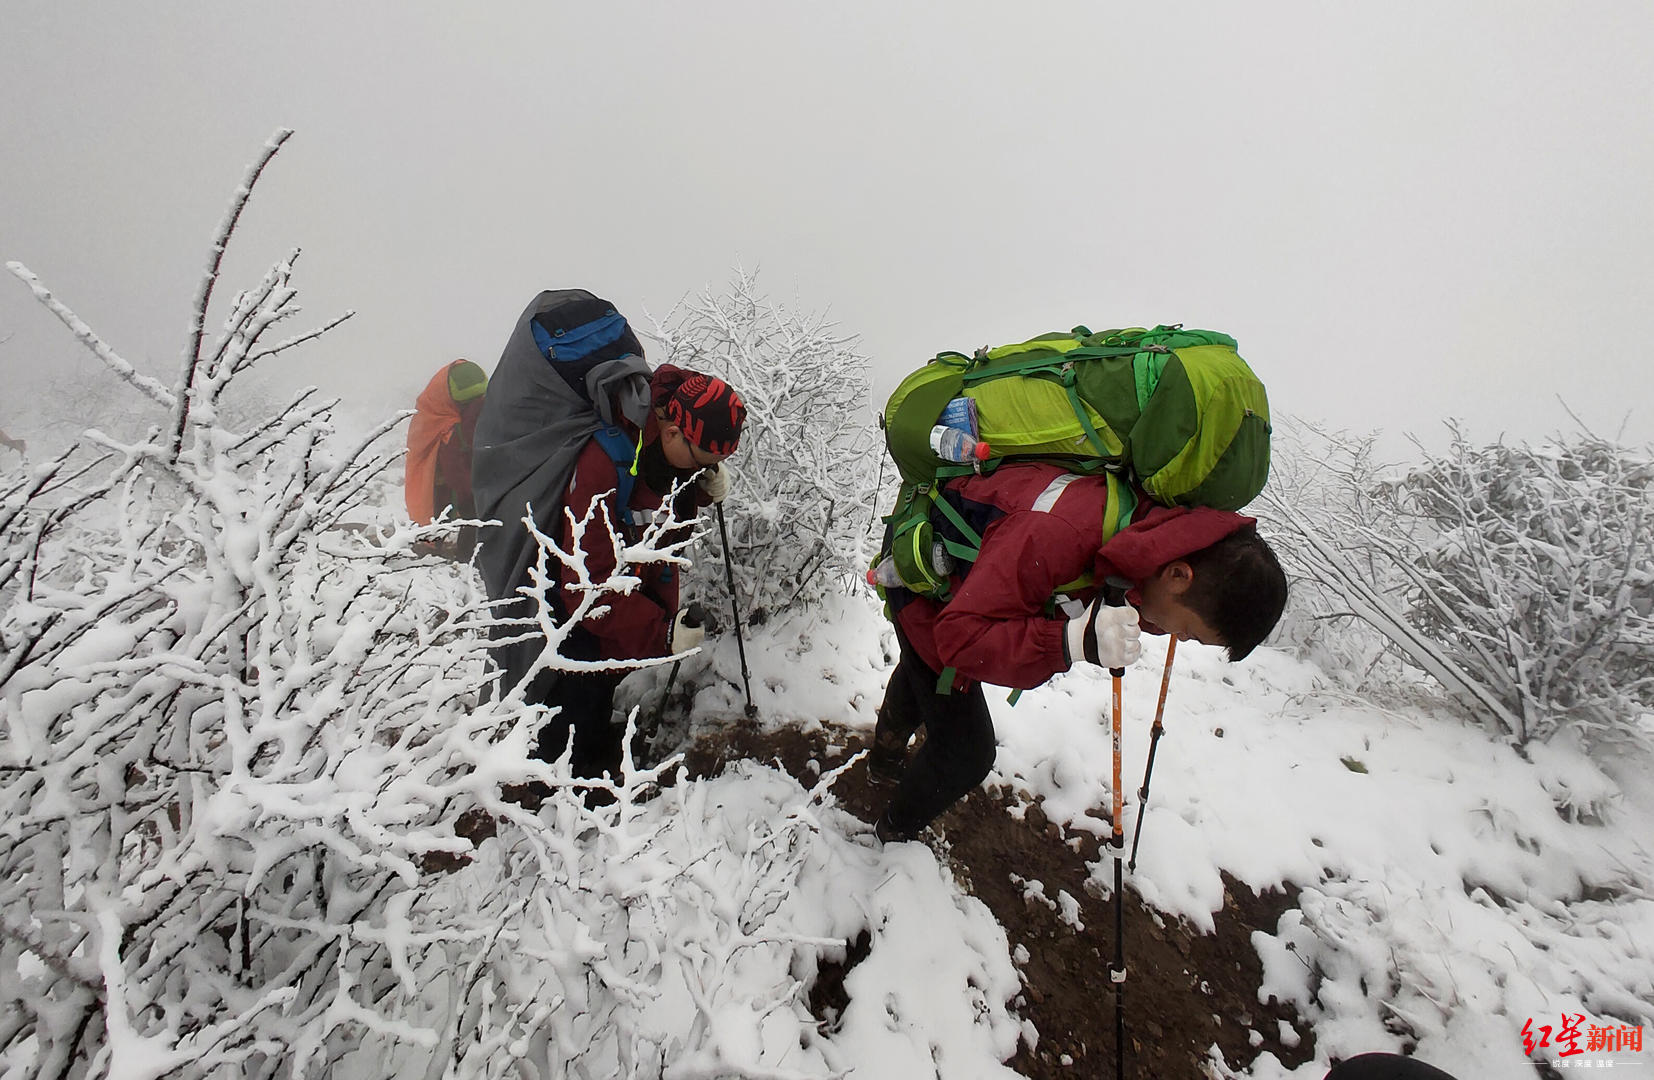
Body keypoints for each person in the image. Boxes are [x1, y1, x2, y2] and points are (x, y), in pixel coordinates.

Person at [869, 461, 1288, 842]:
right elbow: (959, 640)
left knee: (924, 673)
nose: (1175, 636)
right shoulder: (1062, 531)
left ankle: (883, 758)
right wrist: (1072, 642)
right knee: (966, 749)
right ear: (1179, 575)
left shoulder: (1150, 537)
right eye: (1190, 633)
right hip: (922, 579)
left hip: (961, 581)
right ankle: (891, 833)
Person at [472, 290, 746, 788]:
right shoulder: (605, 460)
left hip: (614, 619)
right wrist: (658, 634)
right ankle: (567, 797)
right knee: (571, 714)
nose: (708, 469)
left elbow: (659, 519)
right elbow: (586, 586)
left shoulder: (666, 449)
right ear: (670, 431)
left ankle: (590, 755)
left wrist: (699, 490)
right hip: (576, 619)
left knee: (596, 697)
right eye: (704, 458)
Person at [405, 359, 488, 559]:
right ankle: (458, 555)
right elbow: (454, 468)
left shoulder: (435, 409)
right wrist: (471, 490)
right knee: (460, 514)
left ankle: (436, 548)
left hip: (452, 480)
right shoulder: (448, 427)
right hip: (448, 481)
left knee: (447, 513)